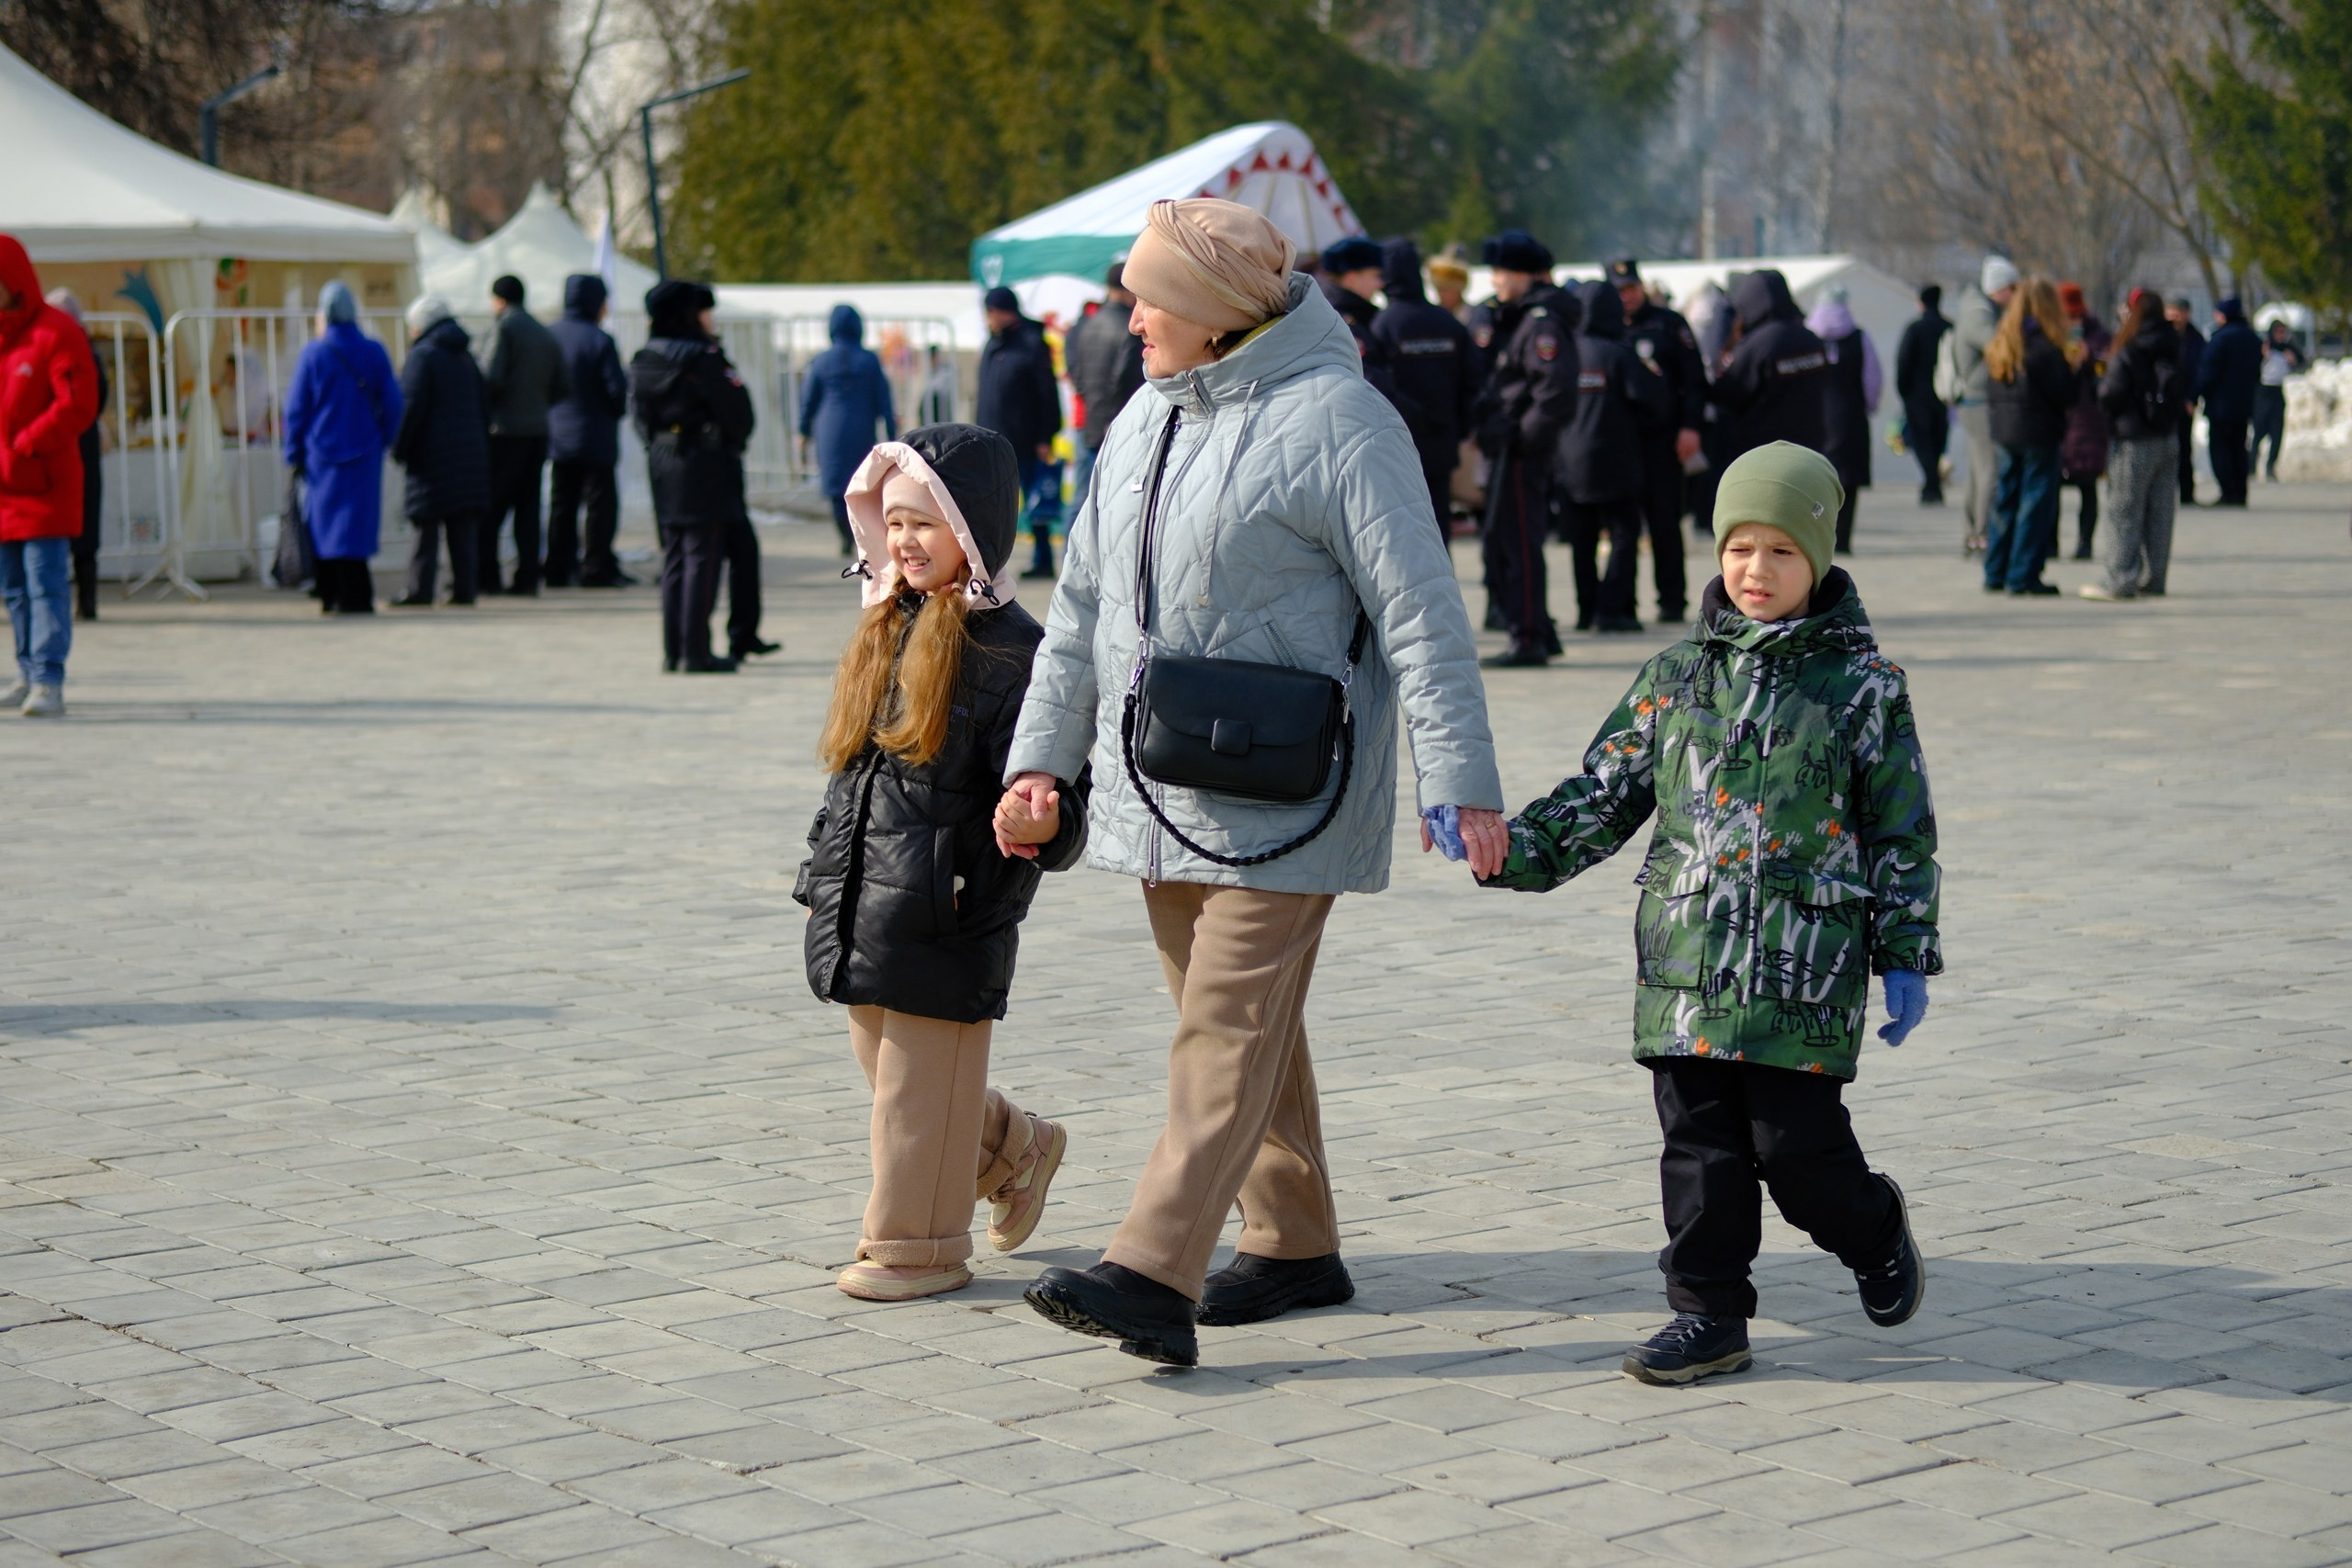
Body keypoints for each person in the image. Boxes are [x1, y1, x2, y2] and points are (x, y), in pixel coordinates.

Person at [1001, 197, 1505, 1368]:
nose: (1128, 317)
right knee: (1230, 1021)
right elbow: (1078, 613)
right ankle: (1291, 1240)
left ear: (1219, 314)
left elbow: (1421, 612)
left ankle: (1151, 1269)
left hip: (1291, 787)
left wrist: (1459, 779)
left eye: (1148, 296)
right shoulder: (1138, 420)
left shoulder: (1345, 422)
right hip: (1157, 775)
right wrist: (1041, 761)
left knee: (1222, 1024)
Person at [1478, 440, 1938, 1385]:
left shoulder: (1863, 689)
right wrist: (1514, 849)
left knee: (1796, 1155)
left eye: (1779, 550)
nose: (1754, 571)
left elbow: (1902, 833)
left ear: (1817, 556)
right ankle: (1708, 1315)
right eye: (1738, 548)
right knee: (1699, 1153)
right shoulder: (1677, 676)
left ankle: (1871, 1224)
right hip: (1687, 966)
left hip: (1803, 971)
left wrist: (1904, 949)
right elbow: (1602, 794)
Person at [797, 423, 1089, 1301]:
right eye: (892, 523)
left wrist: (1041, 823)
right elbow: (855, 774)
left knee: (915, 1099)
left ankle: (915, 1248)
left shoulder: (1016, 651)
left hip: (954, 904)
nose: (904, 541)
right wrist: (821, 876)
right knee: (891, 1070)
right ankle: (1013, 1147)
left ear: (974, 527)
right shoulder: (889, 624)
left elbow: (1064, 795)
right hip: (868, 899)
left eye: (925, 522)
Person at [0, 235, 100, 718]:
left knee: (46, 586)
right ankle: (25, 671)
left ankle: (48, 677)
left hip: (44, 488)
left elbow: (79, 403)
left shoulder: (56, 332)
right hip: (4, 493)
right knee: (14, 589)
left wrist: (28, 443)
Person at [630, 280, 752, 672]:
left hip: (664, 459)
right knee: (702, 555)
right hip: (704, 459)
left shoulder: (644, 357)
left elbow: (638, 417)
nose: (709, 319)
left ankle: (675, 649)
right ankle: (696, 651)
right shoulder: (704, 357)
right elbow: (738, 412)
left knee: (675, 557)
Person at [1473, 231, 1580, 666]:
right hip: (1513, 446)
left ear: (1522, 273)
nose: (1495, 280)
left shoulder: (1540, 322)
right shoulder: (1525, 316)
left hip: (1521, 451)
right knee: (1510, 539)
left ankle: (1529, 636)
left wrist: (1520, 436)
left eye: (1501, 271)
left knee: (1517, 543)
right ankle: (1539, 630)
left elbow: (1554, 394)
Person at [1557, 279, 1673, 635]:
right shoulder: (1619, 354)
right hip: (1615, 460)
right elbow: (1653, 401)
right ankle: (1612, 609)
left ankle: (1585, 609)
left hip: (1569, 463)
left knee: (1582, 541)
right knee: (1624, 535)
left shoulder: (1566, 350)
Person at [282, 281, 401, 615]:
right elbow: (393, 402)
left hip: (322, 455)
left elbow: (296, 409)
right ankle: (358, 595)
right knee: (357, 525)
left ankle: (329, 593)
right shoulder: (374, 350)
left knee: (323, 524)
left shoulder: (314, 354)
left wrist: (292, 452)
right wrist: (385, 437)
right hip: (365, 452)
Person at [1611, 260, 1707, 622]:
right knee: (1623, 528)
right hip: (1621, 445)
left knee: (1665, 521)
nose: (1627, 297)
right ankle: (1622, 606)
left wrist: (1690, 427)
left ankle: (1671, 600)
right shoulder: (1604, 327)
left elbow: (1695, 382)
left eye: (1631, 288)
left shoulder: (1668, 324)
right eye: (1619, 290)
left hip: (1663, 441)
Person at [1372, 238, 1480, 548]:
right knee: (1438, 530)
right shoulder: (1448, 322)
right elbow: (1472, 381)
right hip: (1442, 447)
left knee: (1403, 537)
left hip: (1398, 447)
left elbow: (1378, 389)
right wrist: (1456, 426)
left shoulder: (1383, 325)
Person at [2081, 288, 2184, 603]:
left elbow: (2111, 395)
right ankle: (2155, 578)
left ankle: (2119, 579)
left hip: (2133, 439)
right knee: (2160, 511)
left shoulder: (2129, 348)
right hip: (2167, 436)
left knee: (2123, 509)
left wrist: (2098, 382)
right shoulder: (2172, 342)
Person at [390, 294, 491, 608]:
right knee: (461, 523)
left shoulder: (422, 356)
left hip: (431, 455)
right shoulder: (465, 356)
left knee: (425, 524)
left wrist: (400, 447)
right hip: (469, 451)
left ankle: (420, 589)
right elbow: (484, 404)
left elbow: (410, 407)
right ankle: (465, 588)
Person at [1981, 278, 2078, 597]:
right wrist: (2076, 368)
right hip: (2038, 430)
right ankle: (2023, 575)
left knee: (2005, 499)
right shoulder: (2044, 347)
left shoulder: (2003, 342)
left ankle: (1996, 570)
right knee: (2035, 503)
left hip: (2005, 430)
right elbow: (2065, 393)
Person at [477, 276, 570, 596]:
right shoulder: (544, 333)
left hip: (505, 431)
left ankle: (486, 577)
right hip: (538, 430)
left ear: (498, 300)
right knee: (529, 510)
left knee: (492, 507)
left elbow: (490, 376)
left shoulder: (504, 328)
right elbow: (563, 385)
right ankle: (527, 578)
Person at [547, 274, 632, 588]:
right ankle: (596, 568)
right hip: (595, 436)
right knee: (599, 507)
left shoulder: (550, 335)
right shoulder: (599, 340)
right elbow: (615, 391)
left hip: (558, 436)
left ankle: (558, 567)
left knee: (562, 505)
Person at [974, 287, 1062, 578]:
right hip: (991, 439)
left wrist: (1044, 437)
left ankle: (1043, 558)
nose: (988, 318)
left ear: (1003, 311)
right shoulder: (993, 344)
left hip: (1023, 439)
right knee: (991, 504)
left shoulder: (1030, 343)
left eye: (990, 312)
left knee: (1034, 500)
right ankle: (986, 560)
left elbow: (1046, 394)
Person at [797, 303, 898, 558]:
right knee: (864, 483)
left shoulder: (821, 361)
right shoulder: (869, 360)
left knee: (835, 487)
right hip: (861, 428)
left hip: (828, 429)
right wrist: (892, 433)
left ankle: (844, 535)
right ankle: (862, 533)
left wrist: (803, 431)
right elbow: (884, 399)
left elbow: (809, 400)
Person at [1711, 269, 1828, 465]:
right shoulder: (1811, 340)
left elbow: (1726, 392)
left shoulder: (1757, 345)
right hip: (1810, 451)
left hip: (1765, 455)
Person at [1063, 263, 1145, 526]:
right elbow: (1126, 379)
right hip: (1118, 422)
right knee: (1116, 501)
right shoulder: (1129, 329)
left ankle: (1068, 560)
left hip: (1090, 421)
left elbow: (1076, 372)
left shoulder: (1088, 324)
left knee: (1081, 499)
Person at [44, 289, 107, 622]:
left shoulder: (79, 350)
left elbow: (96, 396)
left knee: (84, 528)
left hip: (76, 445)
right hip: (60, 446)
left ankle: (86, 602)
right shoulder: (60, 347)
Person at [1951, 256, 2019, 553]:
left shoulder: (1975, 307)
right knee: (1990, 471)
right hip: (1980, 401)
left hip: (1973, 400)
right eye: (2013, 288)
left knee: (1979, 473)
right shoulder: (1980, 314)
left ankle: (1973, 534)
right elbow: (1997, 348)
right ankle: (1983, 535)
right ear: (2000, 288)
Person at [1805, 286, 1880, 553]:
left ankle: (1816, 537)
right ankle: (1844, 539)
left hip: (1814, 415)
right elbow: (1872, 379)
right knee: (1847, 480)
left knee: (1815, 479)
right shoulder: (1859, 337)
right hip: (1851, 415)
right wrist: (1870, 405)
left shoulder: (1807, 336)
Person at [2056, 283, 2111, 560]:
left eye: (2074, 316)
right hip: (2059, 418)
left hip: (2088, 419)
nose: (2071, 322)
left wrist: (2090, 359)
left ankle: (2084, 543)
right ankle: (2049, 543)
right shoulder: (2051, 335)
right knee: (2050, 486)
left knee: (2087, 486)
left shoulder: (2099, 336)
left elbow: (2107, 370)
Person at [1317, 237, 1405, 412]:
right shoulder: (1340, 322)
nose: (1380, 284)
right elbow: (1370, 380)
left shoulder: (1353, 315)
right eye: (1375, 276)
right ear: (1351, 279)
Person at [2196, 297, 2263, 507]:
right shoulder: (2252, 338)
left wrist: (2197, 394)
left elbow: (2209, 372)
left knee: (2221, 449)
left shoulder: (2220, 339)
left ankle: (2228, 492)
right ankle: (2240, 492)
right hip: (2244, 404)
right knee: (2239, 448)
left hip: (2221, 405)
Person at [1894, 285, 1951, 506]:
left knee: (1922, 441)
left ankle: (1931, 483)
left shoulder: (1915, 329)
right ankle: (1933, 483)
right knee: (1938, 439)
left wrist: (1904, 391)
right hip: (1943, 395)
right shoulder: (1948, 327)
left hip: (1917, 395)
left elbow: (1904, 362)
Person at [2253, 319, 2303, 483]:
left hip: (2278, 391)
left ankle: (2270, 465)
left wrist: (2293, 361)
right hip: (2263, 390)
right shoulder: (2265, 347)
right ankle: (2251, 465)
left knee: (2277, 432)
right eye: (2278, 332)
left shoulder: (2288, 349)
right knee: (2259, 431)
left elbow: (2301, 363)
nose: (2281, 336)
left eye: (2283, 332)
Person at [2167, 299, 2206, 505]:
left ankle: (2187, 493)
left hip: (2185, 402)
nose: (2175, 316)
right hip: (2163, 402)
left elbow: (2200, 371)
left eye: (2179, 311)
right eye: (2172, 311)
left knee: (2184, 448)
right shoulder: (2161, 336)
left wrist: (2192, 397)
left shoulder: (2195, 338)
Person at [1428, 250, 1471, 321]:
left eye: (1447, 289)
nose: (1441, 294)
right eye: (1439, 288)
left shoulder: (1474, 314)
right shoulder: (1432, 316)